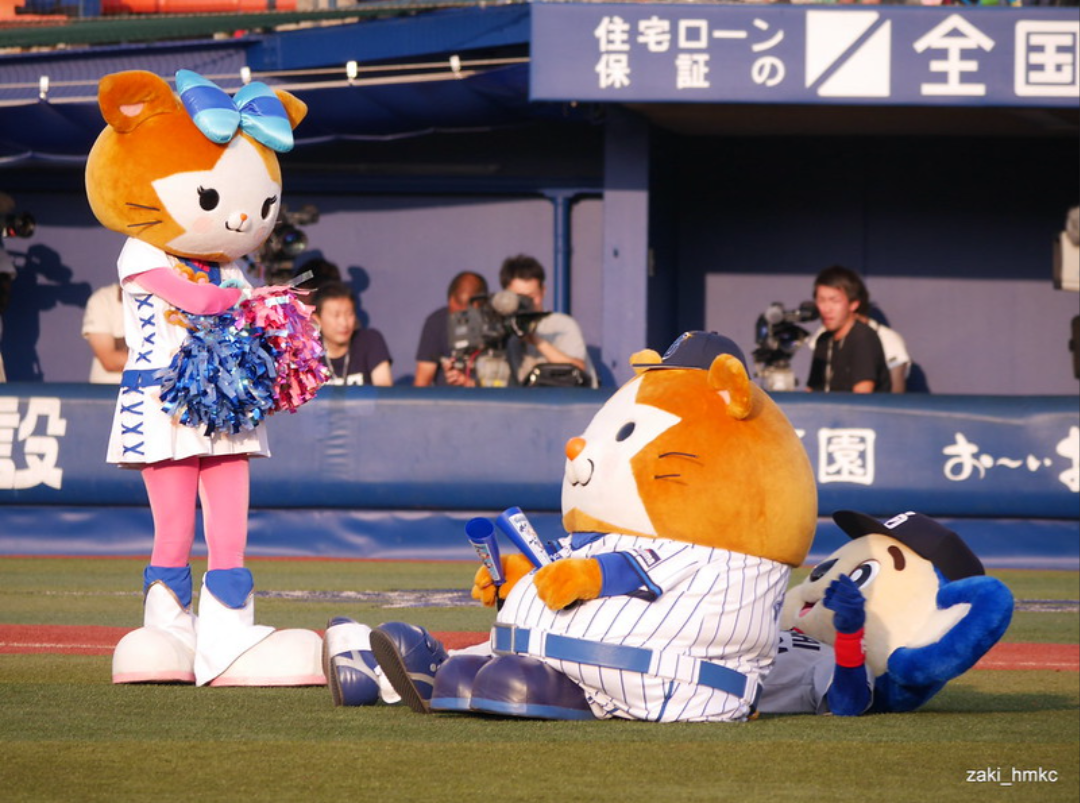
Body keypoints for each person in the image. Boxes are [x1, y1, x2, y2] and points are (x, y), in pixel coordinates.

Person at [498, 254, 598, 388]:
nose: (525, 304)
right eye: (519, 299)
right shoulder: (503, 329)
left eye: (530, 297)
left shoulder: (561, 325)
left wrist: (534, 339)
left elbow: (577, 369)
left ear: (543, 291)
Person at [805, 268, 910, 393]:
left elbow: (860, 400)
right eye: (821, 300)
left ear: (853, 304)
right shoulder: (823, 340)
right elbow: (811, 391)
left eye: (834, 301)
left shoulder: (864, 337)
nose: (826, 308)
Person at [413, 271, 489, 387]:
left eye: (464, 316)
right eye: (453, 314)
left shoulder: (496, 326)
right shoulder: (436, 322)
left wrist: (470, 384)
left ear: (478, 305)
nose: (458, 322)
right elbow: (422, 382)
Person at [312, 281, 392, 386]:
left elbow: (384, 394)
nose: (344, 323)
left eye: (349, 314)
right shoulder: (306, 351)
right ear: (317, 319)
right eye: (336, 316)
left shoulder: (370, 341)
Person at [81, 282, 127, 384]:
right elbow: (110, 361)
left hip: (160, 391)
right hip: (110, 393)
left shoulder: (166, 298)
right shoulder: (102, 300)